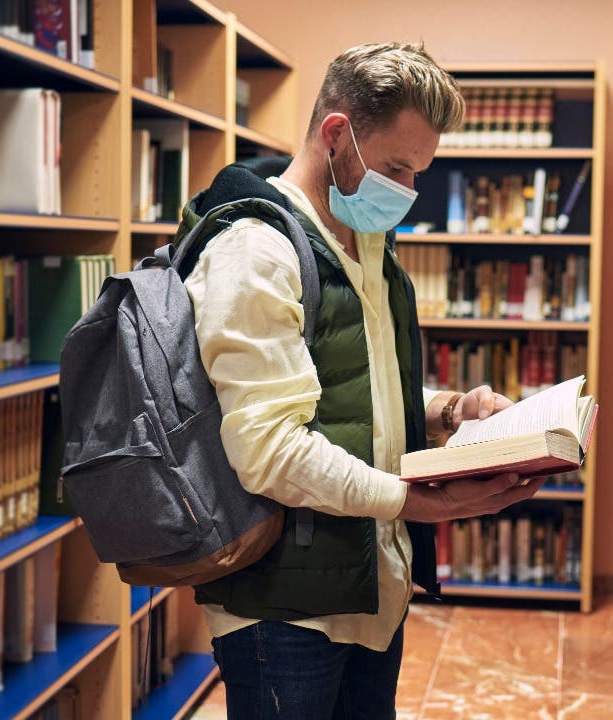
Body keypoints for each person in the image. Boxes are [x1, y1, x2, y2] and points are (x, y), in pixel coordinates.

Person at [181, 42, 543, 718]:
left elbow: (352, 388)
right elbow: (268, 450)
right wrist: (415, 502)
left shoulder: (362, 237)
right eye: (396, 168)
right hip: (284, 612)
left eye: (418, 174)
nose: (405, 192)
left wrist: (447, 409)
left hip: (368, 584)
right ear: (336, 133)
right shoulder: (254, 252)